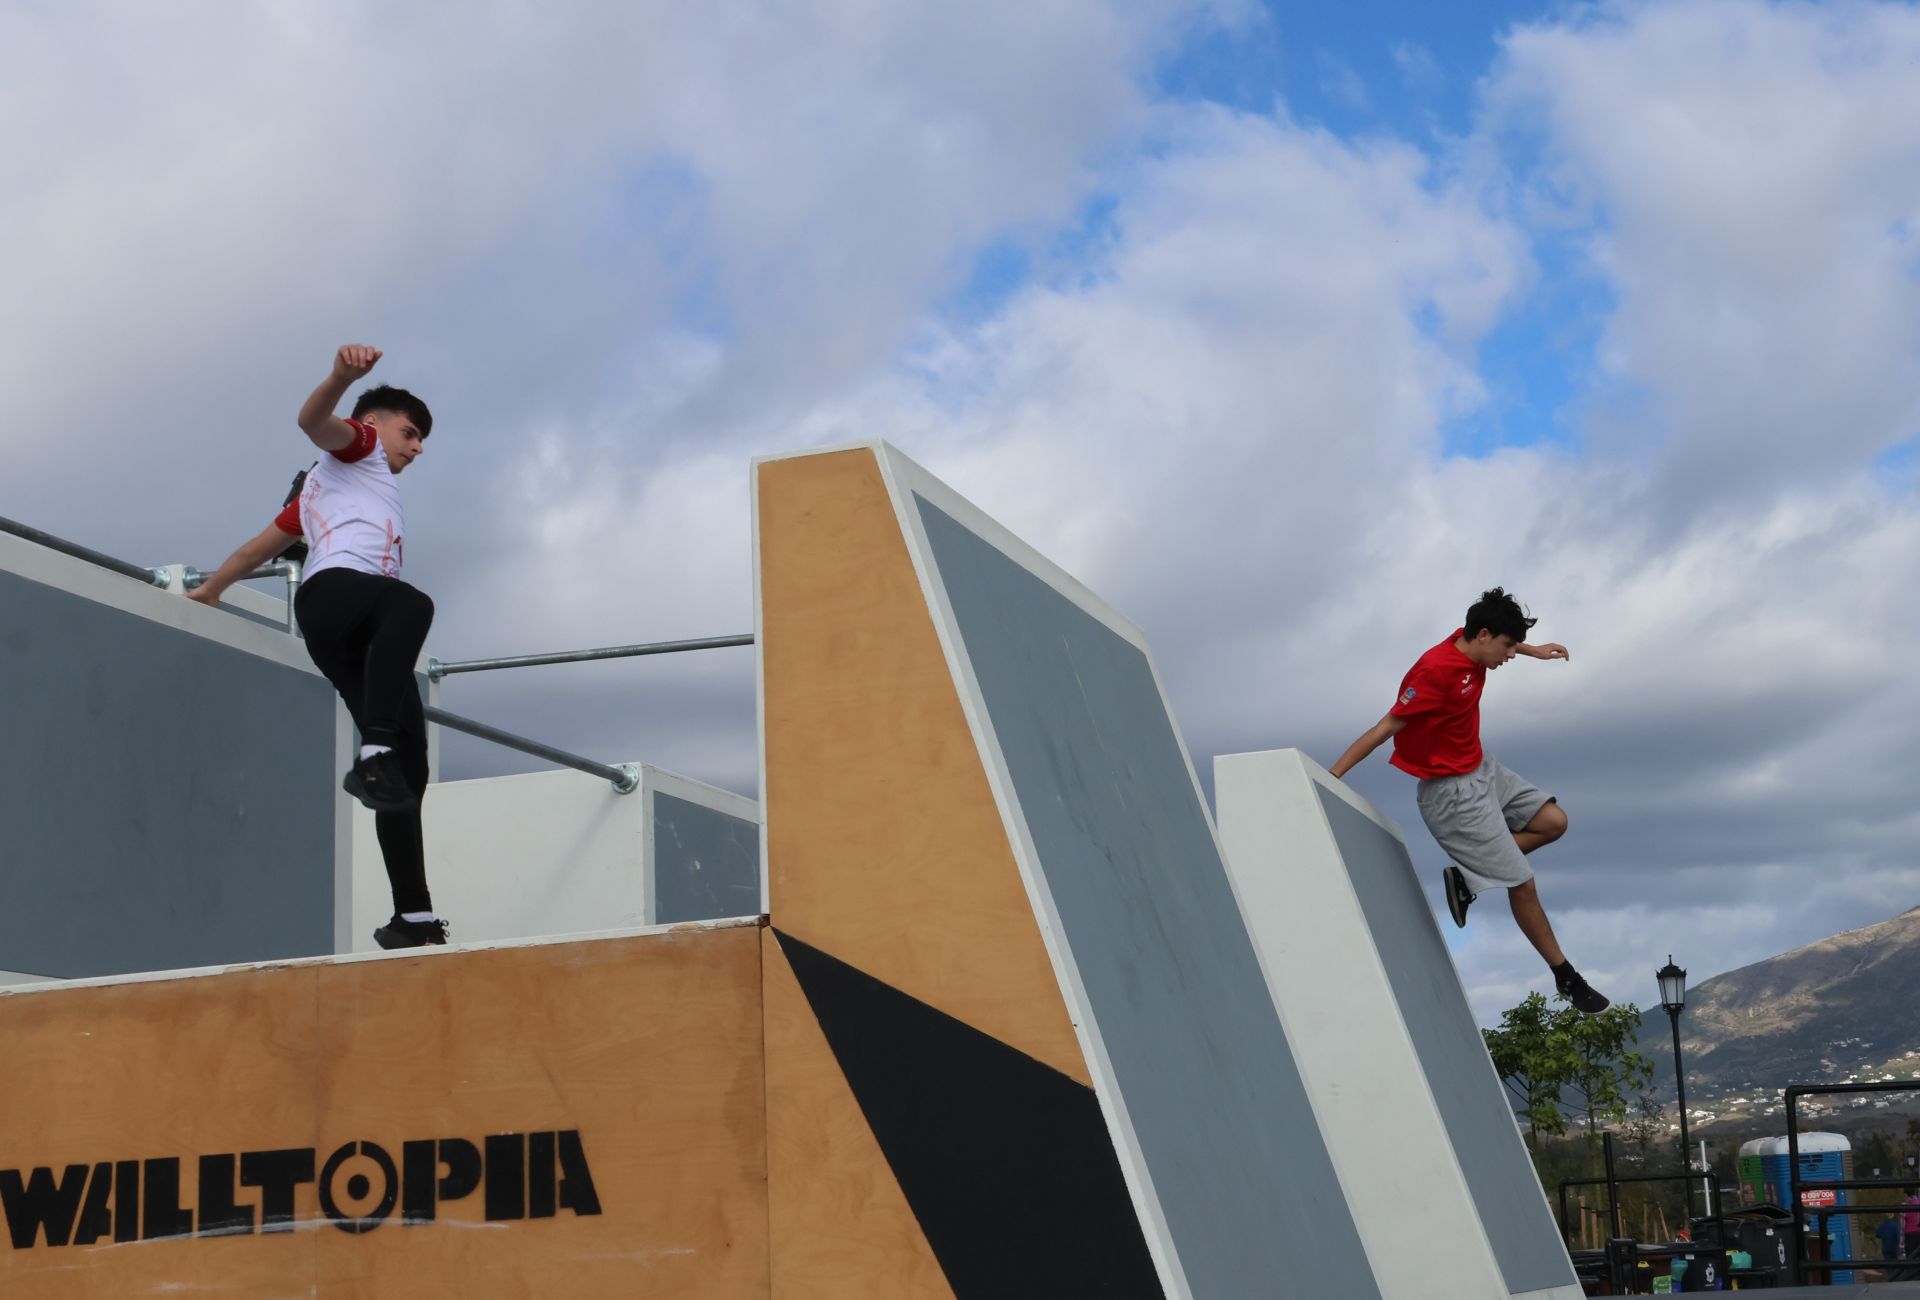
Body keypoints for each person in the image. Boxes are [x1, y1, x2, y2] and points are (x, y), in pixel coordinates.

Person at [190, 344, 447, 949]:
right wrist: (340, 377)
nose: (416, 449)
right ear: (375, 424)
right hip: (338, 596)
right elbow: (312, 422)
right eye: (409, 434)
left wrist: (212, 590)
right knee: (412, 604)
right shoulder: (361, 450)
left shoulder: (309, 500)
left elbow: (256, 551)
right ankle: (371, 751)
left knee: (410, 772)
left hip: (337, 628)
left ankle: (411, 918)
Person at [1329, 588, 1609, 1013]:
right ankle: (1566, 977)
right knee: (1523, 883)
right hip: (1451, 794)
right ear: (1483, 636)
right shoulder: (1433, 671)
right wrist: (1332, 777)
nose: (1509, 656)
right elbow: (1386, 725)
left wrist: (1534, 650)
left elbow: (1493, 636)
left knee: (1553, 822)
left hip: (1482, 768)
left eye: (1514, 646)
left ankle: (1467, 874)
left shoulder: (1473, 642)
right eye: (1507, 647)